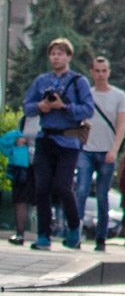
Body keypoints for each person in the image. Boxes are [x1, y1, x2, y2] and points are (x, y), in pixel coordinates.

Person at [23, 39, 95, 250]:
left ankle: (73, 227)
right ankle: (43, 235)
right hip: (45, 138)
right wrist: (41, 106)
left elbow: (88, 109)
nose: (56, 58)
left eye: (60, 54)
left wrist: (64, 107)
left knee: (63, 186)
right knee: (42, 187)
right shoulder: (42, 81)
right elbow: (27, 106)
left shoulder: (78, 81)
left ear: (68, 56)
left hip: (68, 141)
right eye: (53, 54)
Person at [75, 56, 125, 252]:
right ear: (91, 72)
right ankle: (76, 234)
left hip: (107, 151)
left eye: (104, 70)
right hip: (86, 150)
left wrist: (114, 149)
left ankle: (101, 238)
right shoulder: (86, 95)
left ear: (109, 72)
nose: (101, 74)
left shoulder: (119, 96)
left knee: (102, 196)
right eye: (97, 71)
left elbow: (121, 125)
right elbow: (79, 120)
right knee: (81, 191)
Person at [3, 113, 35, 244]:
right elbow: (6, 142)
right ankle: (20, 233)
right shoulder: (26, 118)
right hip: (22, 165)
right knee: (20, 199)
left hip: (43, 163)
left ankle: (44, 234)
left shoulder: (53, 116)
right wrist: (17, 139)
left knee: (43, 197)